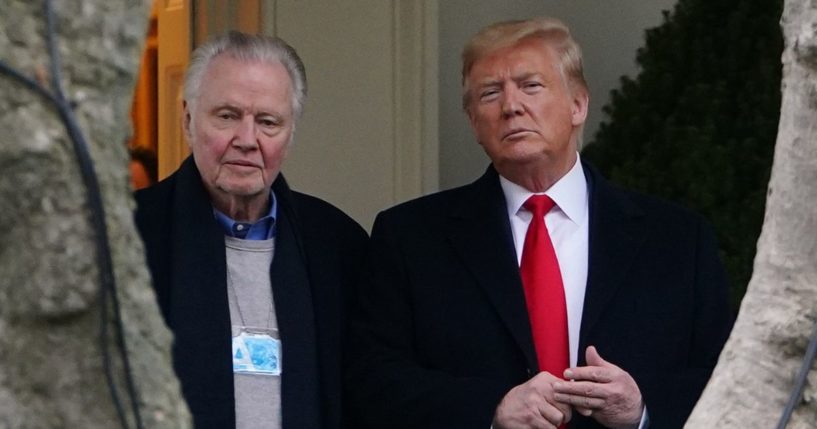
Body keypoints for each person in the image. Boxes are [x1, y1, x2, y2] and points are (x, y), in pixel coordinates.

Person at [346, 17, 731, 429]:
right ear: (474, 122)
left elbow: (732, 379)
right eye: (490, 93)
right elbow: (373, 381)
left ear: (578, 105)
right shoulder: (411, 238)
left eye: (531, 86)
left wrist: (642, 407)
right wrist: (490, 410)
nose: (511, 106)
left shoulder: (676, 240)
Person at [134, 31, 367, 429]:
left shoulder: (336, 244)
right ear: (188, 119)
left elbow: (365, 393)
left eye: (268, 122)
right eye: (227, 116)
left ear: (290, 134)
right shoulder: (126, 234)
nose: (247, 140)